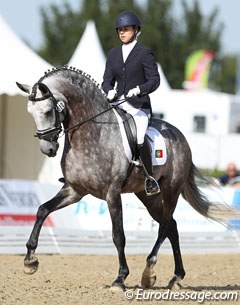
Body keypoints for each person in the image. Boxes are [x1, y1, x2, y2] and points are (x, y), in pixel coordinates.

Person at [102, 10, 161, 196]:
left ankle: (150, 178)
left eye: (126, 29)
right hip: (118, 103)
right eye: (119, 29)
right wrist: (109, 90)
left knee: (140, 138)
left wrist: (140, 89)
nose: (122, 32)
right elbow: (106, 80)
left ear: (136, 30)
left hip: (138, 106)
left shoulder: (144, 53)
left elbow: (155, 79)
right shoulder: (113, 54)